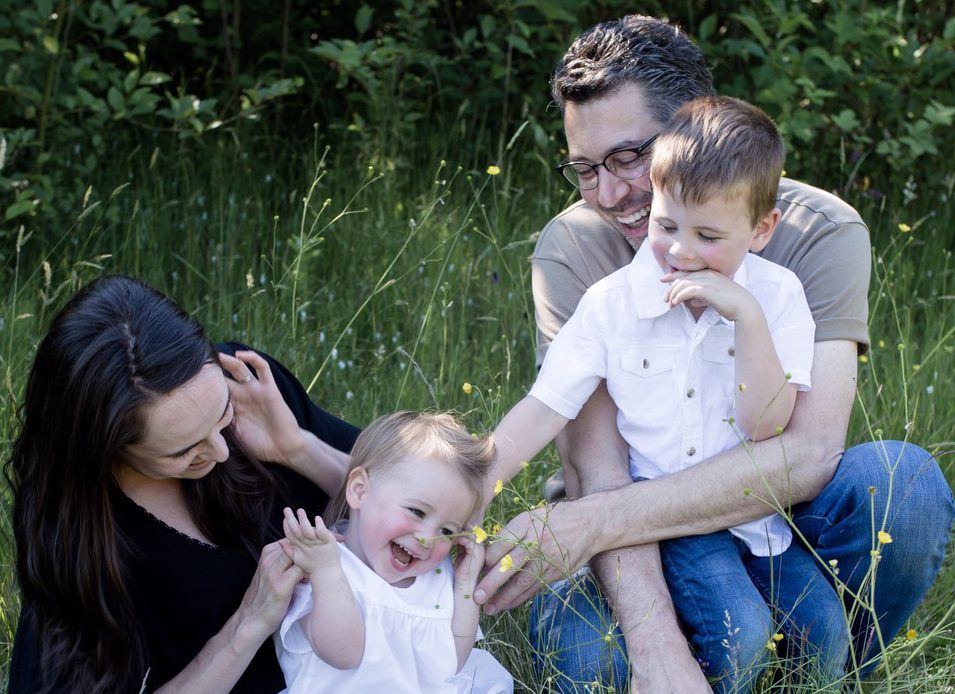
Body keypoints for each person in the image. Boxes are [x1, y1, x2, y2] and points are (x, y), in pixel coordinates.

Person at [474, 14, 955, 693]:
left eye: (626, 159)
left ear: (688, 131)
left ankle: (835, 678)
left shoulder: (819, 236)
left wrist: (746, 317)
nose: (609, 195)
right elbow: (593, 459)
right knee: (594, 667)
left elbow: (806, 451)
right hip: (618, 539)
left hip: (772, 516)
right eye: (585, 168)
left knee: (901, 488)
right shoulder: (576, 251)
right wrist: (653, 643)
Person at [491, 94, 849, 691]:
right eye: (666, 225)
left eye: (707, 235)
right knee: (741, 629)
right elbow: (545, 406)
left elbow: (768, 426)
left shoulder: (781, 296)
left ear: (761, 231)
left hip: (759, 522)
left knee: (826, 637)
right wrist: (478, 481)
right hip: (672, 523)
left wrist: (749, 321)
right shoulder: (610, 304)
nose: (680, 251)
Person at [6, 274, 360, 693]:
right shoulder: (86, 544)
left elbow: (422, 496)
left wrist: (299, 448)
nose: (221, 451)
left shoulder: (248, 388)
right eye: (182, 452)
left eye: (221, 415)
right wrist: (246, 625)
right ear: (106, 451)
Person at [275, 411, 513, 693]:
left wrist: (464, 584)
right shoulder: (323, 562)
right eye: (417, 511)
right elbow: (343, 653)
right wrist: (326, 571)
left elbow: (452, 660)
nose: (427, 538)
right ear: (360, 491)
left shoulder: (434, 575)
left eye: (448, 531)